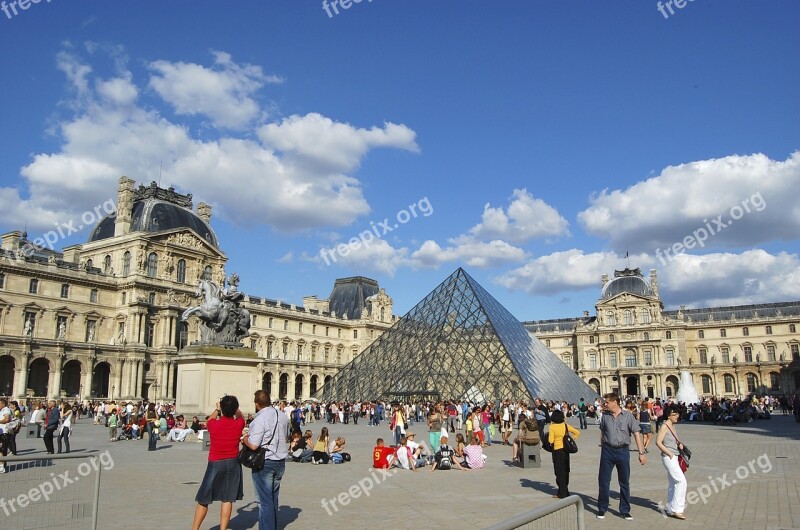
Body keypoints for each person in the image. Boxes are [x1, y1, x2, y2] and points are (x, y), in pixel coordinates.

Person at [191, 396, 246, 530]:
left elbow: (209, 419)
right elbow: (241, 416)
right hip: (233, 462)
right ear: (235, 409)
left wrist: (217, 409)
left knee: (203, 498)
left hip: (215, 462)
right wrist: (235, 409)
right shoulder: (239, 423)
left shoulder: (213, 424)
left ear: (222, 408)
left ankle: (195, 528)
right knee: (227, 499)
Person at [242, 389, 289, 530]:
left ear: (257, 404)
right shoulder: (282, 416)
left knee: (264, 502)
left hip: (264, 463)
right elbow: (286, 436)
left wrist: (244, 438)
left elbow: (254, 444)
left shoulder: (260, 419)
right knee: (273, 499)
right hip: (280, 462)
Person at [596, 393, 646, 520]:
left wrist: (641, 453)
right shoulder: (605, 416)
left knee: (624, 482)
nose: (605, 404)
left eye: (607, 402)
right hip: (607, 451)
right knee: (603, 481)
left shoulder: (628, 416)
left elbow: (636, 434)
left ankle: (624, 510)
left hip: (623, 451)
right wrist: (603, 449)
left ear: (615, 402)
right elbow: (602, 433)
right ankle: (602, 508)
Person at [655, 405, 688, 520]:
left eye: (678, 414)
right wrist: (669, 453)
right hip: (669, 457)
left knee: (673, 483)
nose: (677, 416)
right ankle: (677, 509)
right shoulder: (664, 426)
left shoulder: (672, 426)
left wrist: (679, 445)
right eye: (675, 414)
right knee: (681, 481)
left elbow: (671, 440)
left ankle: (670, 508)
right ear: (669, 415)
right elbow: (658, 442)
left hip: (675, 456)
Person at [548, 409, 580, 498]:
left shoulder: (552, 427)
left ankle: (562, 493)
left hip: (557, 451)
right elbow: (577, 432)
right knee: (566, 470)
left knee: (558, 472)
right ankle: (564, 490)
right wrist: (571, 439)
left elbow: (550, 440)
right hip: (565, 451)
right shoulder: (565, 426)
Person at [0, 398, 11, 473]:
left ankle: (2, 466)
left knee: (2, 449)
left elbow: (7, 419)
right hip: (2, 432)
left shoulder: (6, 410)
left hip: (4, 432)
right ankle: (3, 465)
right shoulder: (2, 410)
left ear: (3, 404)